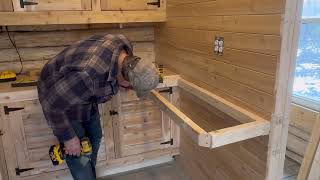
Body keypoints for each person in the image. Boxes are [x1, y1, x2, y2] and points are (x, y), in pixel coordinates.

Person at [37, 34, 159, 180]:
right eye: (132, 88)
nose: (129, 90)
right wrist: (68, 138)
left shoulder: (125, 46)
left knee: (94, 137)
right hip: (59, 96)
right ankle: (85, 172)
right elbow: (52, 105)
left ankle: (88, 172)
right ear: (126, 80)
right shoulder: (88, 76)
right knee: (77, 153)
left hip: (80, 91)